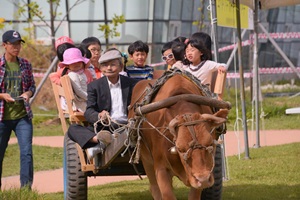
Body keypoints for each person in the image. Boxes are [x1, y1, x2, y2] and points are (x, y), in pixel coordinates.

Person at [67, 48, 138, 161]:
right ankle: (100, 140)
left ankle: (99, 145)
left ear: (120, 67)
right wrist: (99, 115)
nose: (109, 68)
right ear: (100, 68)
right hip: (105, 128)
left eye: (113, 65)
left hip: (128, 126)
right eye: (105, 65)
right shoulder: (94, 86)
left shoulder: (132, 84)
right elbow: (89, 112)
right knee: (72, 129)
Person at [0, 30, 36, 189]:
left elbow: (32, 86)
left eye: (19, 43)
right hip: (2, 118)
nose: (16, 47)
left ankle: (26, 190)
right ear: (4, 45)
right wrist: (2, 96)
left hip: (23, 117)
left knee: (26, 153)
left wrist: (28, 93)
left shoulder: (26, 64)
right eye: (13, 44)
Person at [59, 47, 92, 113]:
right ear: (67, 65)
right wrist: (90, 99)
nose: (76, 64)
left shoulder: (80, 73)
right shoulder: (73, 75)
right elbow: (79, 91)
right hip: (81, 105)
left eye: (78, 61)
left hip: (83, 102)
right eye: (73, 62)